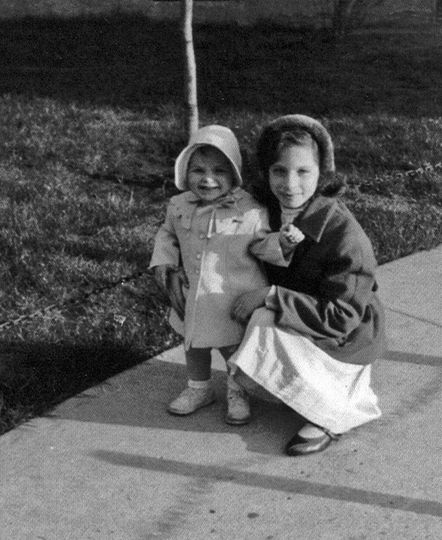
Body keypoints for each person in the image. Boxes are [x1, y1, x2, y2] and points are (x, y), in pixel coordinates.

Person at [229, 114, 385, 456]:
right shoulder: (269, 212)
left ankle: (331, 412)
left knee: (263, 323)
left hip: (345, 336)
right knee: (256, 325)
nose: (290, 184)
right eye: (279, 171)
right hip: (309, 321)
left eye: (304, 172)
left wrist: (271, 295)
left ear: (321, 174)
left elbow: (342, 317)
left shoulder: (343, 233)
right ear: (266, 172)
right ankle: (301, 391)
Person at [149, 125, 296, 425]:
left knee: (234, 349)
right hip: (193, 294)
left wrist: (282, 243)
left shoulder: (250, 212)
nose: (208, 179)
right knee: (194, 345)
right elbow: (168, 236)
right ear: (185, 170)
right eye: (198, 170)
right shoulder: (179, 206)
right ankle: (198, 388)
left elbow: (262, 245)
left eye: (219, 171)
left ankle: (237, 391)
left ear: (234, 175)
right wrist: (163, 262)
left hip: (231, 297)